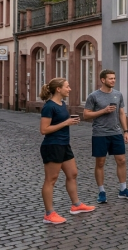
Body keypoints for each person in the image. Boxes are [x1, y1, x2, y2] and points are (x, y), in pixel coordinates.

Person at [40, 78, 96, 224]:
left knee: (73, 173)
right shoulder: (49, 106)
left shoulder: (62, 104)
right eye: (67, 86)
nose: (69, 89)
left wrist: (69, 121)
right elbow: (44, 129)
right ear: (58, 89)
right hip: (52, 145)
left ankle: (76, 205)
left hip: (64, 144)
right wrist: (66, 122)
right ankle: (49, 214)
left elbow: (59, 122)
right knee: (51, 179)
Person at [84, 70, 128, 203]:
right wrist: (103, 111)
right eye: (110, 79)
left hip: (116, 133)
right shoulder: (94, 96)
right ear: (103, 80)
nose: (113, 80)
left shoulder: (118, 94)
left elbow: (121, 113)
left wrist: (125, 131)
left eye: (114, 78)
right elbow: (86, 115)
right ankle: (101, 191)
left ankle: (123, 189)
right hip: (100, 134)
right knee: (100, 163)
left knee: (122, 160)